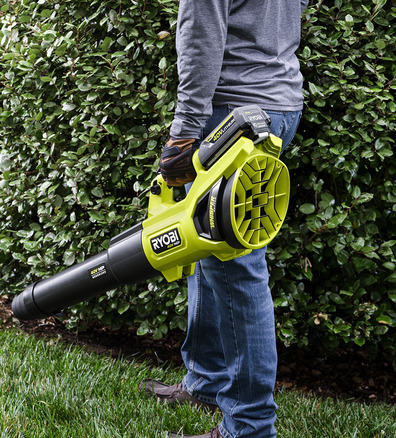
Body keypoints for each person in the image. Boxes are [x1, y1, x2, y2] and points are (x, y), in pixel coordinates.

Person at [140, 1, 308, 437]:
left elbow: (201, 37)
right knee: (203, 244)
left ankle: (249, 426)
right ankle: (208, 382)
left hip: (234, 112)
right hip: (278, 103)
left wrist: (185, 129)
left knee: (235, 266)